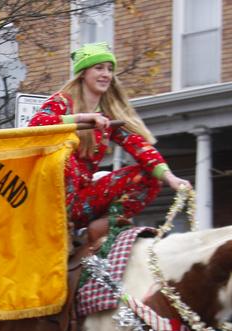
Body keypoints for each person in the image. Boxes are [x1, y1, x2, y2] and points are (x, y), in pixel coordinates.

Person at [28, 42, 191, 230]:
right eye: (99, 68)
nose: (106, 74)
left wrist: (170, 177)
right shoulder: (62, 100)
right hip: (49, 201)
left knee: (148, 177)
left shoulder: (107, 118)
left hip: (82, 202)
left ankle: (102, 228)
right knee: (64, 158)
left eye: (110, 69)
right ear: (83, 73)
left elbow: (138, 145)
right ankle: (63, 227)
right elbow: (36, 124)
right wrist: (81, 118)